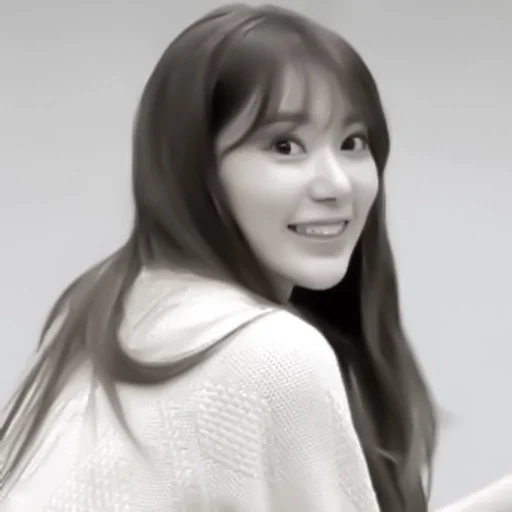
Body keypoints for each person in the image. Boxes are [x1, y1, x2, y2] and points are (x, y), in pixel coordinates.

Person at [0, 3, 509, 511]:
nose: (336, 184)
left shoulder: (107, 307)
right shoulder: (270, 353)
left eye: (353, 142)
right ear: (195, 169)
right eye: (285, 146)